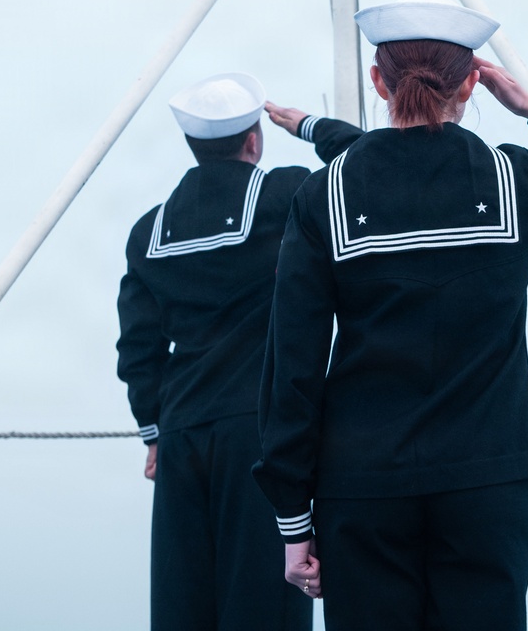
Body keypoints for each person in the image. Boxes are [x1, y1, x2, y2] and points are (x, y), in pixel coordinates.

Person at [253, 0, 528, 631]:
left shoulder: (324, 194)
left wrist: (292, 520)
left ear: (376, 80)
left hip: (362, 487)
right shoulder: (514, 180)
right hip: (488, 481)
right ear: (473, 81)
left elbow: (294, 366)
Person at [116, 71, 360, 631]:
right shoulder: (287, 194)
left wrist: (153, 433)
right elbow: (366, 163)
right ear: (254, 139)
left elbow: (138, 344)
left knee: (183, 606)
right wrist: (309, 124)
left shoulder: (148, 230)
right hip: (261, 433)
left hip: (182, 434)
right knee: (263, 607)